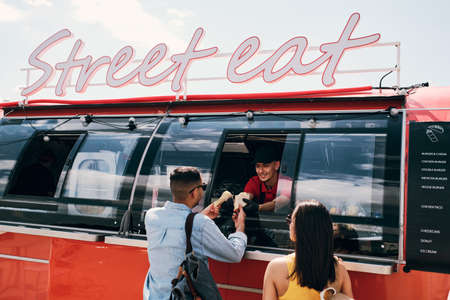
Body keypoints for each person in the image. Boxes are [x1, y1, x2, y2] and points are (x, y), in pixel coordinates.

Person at [143, 166, 247, 300]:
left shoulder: (151, 216)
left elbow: (179, 229)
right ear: (194, 192)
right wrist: (240, 227)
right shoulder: (200, 223)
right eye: (202, 187)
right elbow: (234, 254)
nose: (204, 191)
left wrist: (201, 216)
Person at [262, 200, 353, 300]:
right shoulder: (340, 270)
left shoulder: (276, 268)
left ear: (297, 229)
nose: (289, 225)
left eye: (290, 221)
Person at [243, 147, 291, 212]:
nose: (260, 171)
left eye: (265, 166)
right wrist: (237, 202)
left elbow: (279, 203)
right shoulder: (255, 181)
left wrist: (259, 208)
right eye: (258, 166)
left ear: (276, 165)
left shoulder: (287, 183)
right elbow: (246, 196)